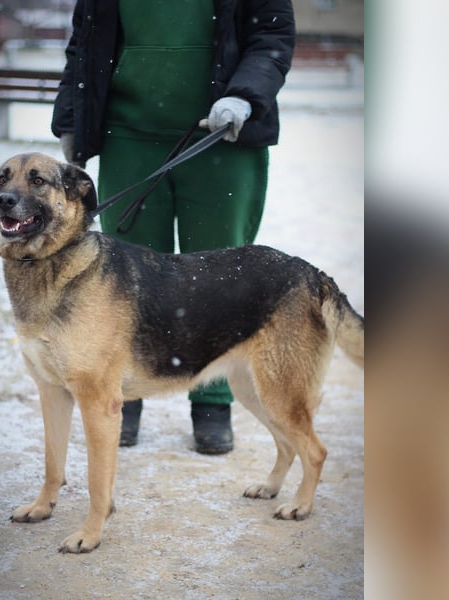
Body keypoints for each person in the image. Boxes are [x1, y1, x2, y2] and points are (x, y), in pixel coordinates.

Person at [52, 0, 296, 454]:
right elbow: (84, 44)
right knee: (121, 285)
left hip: (222, 136)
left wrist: (244, 93)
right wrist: (71, 118)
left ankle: (213, 404)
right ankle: (119, 398)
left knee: (221, 277)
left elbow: (272, 37)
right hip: (129, 137)